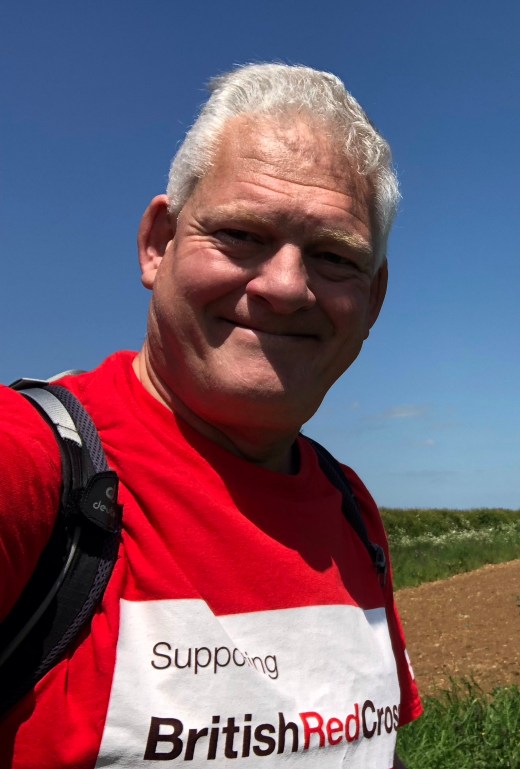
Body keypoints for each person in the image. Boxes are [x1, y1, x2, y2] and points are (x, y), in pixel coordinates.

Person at [0, 63, 421, 768]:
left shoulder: (351, 507)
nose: (286, 286)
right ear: (158, 243)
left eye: (333, 256)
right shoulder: (30, 466)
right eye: (242, 234)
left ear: (373, 300)